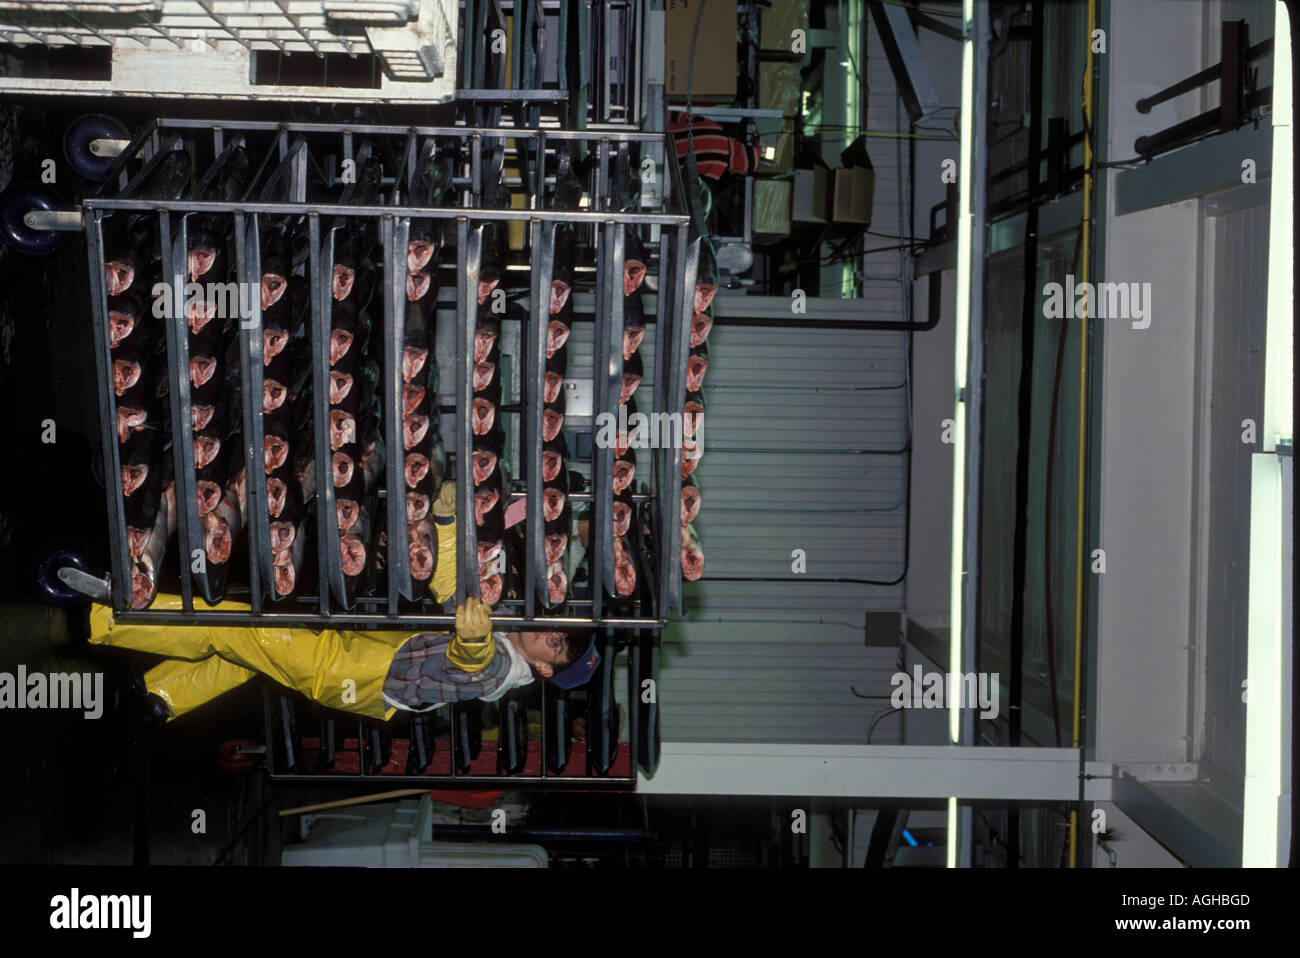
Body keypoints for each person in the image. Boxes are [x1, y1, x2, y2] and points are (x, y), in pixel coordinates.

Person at [86, 481, 600, 723]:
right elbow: (449, 591)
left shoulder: (499, 668)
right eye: (562, 629)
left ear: (547, 670)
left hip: (355, 674)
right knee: (252, 658)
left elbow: (470, 671)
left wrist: (471, 647)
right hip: (366, 660)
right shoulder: (506, 624)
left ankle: (109, 614)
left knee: (242, 630)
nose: (549, 634)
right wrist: (444, 527)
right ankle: (162, 700)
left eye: (558, 647)